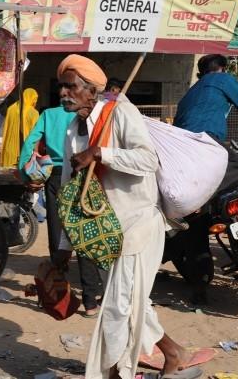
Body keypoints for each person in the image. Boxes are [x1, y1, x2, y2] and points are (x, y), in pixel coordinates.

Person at [56, 55, 203, 379]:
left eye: (71, 87)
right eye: (62, 87)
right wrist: (64, 247)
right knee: (129, 304)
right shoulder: (72, 130)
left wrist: (101, 153)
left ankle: (111, 373)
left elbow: (147, 159)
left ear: (91, 90)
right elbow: (70, 190)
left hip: (137, 225)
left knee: (117, 307)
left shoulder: (119, 112)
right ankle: (174, 353)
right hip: (103, 232)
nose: (64, 93)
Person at [172, 54, 238, 304]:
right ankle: (219, 202)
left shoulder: (188, 95)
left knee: (197, 219)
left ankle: (199, 287)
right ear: (221, 68)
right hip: (207, 144)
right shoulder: (221, 80)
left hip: (183, 155)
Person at [19, 98, 105, 317]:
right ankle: (90, 301)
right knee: (85, 232)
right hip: (85, 173)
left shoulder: (48, 115)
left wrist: (23, 170)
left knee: (57, 232)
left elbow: (31, 141)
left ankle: (58, 292)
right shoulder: (88, 113)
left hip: (57, 175)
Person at [0, 88, 40, 167]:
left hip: (9, 150)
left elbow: (6, 128)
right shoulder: (33, 113)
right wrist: (36, 151)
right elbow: (36, 134)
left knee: (7, 176)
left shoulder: (10, 109)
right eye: (35, 99)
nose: (35, 102)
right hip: (25, 151)